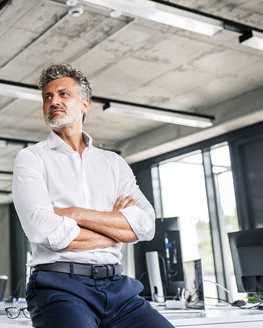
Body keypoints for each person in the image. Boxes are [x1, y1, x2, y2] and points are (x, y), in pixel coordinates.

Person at [12, 64, 174, 328]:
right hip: (60, 287)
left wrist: (74, 215)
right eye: (47, 97)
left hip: (119, 288)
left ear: (85, 104)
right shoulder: (32, 158)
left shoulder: (113, 163)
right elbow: (42, 230)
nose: (54, 101)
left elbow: (145, 225)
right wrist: (117, 229)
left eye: (63, 94)